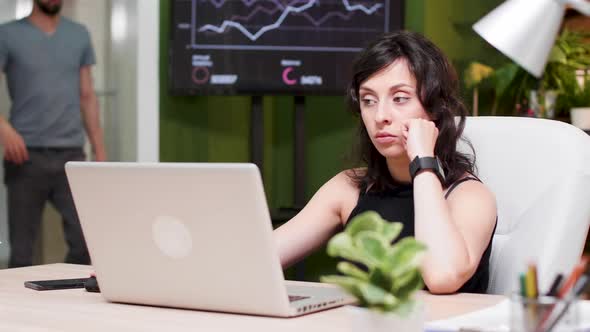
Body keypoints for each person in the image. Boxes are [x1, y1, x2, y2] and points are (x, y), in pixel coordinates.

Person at [274, 31, 497, 294]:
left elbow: (442, 276)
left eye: (400, 98)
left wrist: (424, 162)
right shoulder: (349, 187)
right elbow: (260, 259)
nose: (380, 116)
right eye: (368, 100)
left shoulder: (470, 195)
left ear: (435, 107)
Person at [0, 0, 106, 267]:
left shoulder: (79, 34)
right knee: (22, 254)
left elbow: (87, 95)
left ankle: (66, 304)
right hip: (25, 155)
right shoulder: (8, 34)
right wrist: (4, 129)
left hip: (72, 156)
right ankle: (19, 309)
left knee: (86, 245)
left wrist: (100, 150)